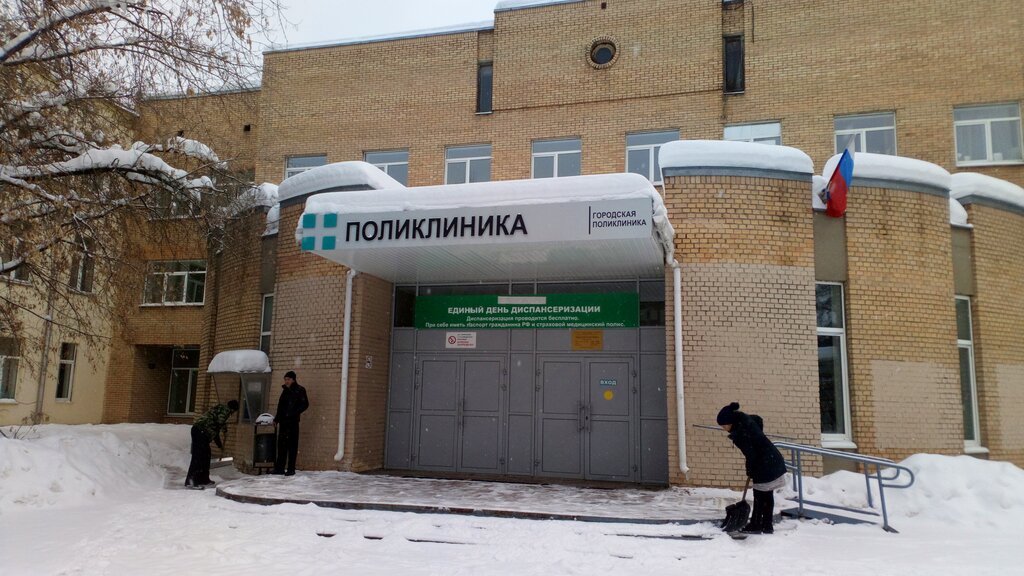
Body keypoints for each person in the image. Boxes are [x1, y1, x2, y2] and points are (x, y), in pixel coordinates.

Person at [717, 401, 787, 534]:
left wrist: (751, 469)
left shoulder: (741, 434)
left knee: (760, 495)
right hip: (772, 459)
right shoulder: (747, 422)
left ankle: (756, 524)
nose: (723, 428)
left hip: (764, 464)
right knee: (767, 495)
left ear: (729, 423)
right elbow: (758, 420)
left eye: (723, 425)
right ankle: (767, 525)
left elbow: (751, 454)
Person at [185, 399, 239, 489]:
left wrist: (223, 435)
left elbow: (217, 427)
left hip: (201, 432)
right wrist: (222, 438)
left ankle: (203, 479)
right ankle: (191, 481)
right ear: (233, 409)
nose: (232, 413)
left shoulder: (221, 409)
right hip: (200, 431)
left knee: (206, 456)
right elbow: (218, 424)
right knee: (198, 457)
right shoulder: (225, 410)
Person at [273, 370, 309, 476]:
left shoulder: (300, 390)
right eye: (285, 379)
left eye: (288, 379)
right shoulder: (285, 391)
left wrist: (293, 412)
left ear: (293, 380)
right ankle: (279, 468)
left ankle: (291, 469)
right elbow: (280, 407)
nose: (286, 381)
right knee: (281, 445)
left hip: (293, 422)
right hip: (283, 422)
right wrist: (276, 419)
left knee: (292, 446)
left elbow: (305, 404)